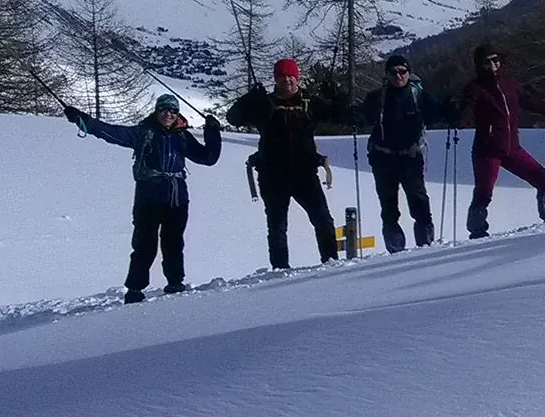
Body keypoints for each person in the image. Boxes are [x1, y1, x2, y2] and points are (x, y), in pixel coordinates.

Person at [64, 93, 222, 302]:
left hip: (177, 199)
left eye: (173, 111)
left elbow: (208, 158)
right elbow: (111, 132)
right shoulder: (143, 133)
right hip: (148, 198)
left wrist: (212, 131)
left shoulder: (182, 136)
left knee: (174, 243)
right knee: (144, 244)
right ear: (156, 111)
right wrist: (82, 120)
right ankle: (135, 289)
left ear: (177, 114)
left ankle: (175, 283)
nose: (168, 114)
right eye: (164, 110)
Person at [226, 57, 339, 269]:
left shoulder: (310, 103)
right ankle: (280, 270)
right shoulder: (264, 104)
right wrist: (248, 100)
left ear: (298, 78)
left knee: (323, 219)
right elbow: (233, 118)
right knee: (277, 226)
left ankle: (331, 264)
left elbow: (340, 114)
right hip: (272, 175)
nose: (286, 80)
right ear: (275, 80)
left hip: (304, 174)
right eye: (281, 76)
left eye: (290, 76)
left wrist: (334, 96)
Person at [459, 44, 545, 239]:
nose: (493, 65)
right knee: (484, 192)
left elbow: (535, 104)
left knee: (544, 179)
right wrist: (458, 116)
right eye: (487, 61)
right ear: (480, 65)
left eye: (495, 60)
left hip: (512, 149)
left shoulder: (510, 84)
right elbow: (466, 114)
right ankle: (477, 230)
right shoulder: (475, 88)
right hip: (487, 150)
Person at [356, 53, 447, 252]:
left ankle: (426, 247)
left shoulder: (419, 95)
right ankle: (396, 251)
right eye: (394, 72)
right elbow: (364, 118)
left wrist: (450, 109)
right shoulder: (377, 97)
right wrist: (353, 115)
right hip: (383, 159)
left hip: (410, 158)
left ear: (409, 72)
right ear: (387, 74)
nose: (399, 76)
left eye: (403, 71)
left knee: (420, 205)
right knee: (389, 209)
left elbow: (436, 114)